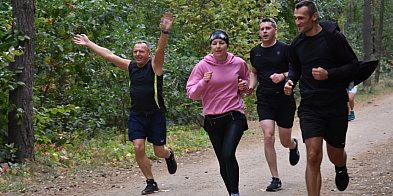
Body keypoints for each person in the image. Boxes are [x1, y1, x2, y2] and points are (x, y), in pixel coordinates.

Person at [73, 12, 177, 195]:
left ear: (148, 54)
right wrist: (89, 43)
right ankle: (151, 182)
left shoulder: (155, 66)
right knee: (138, 146)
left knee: (159, 151)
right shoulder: (130, 67)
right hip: (137, 115)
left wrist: (164, 32)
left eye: (141, 51)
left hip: (155, 115)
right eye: (135, 51)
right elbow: (109, 55)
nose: (137, 54)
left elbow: (161, 50)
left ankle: (169, 154)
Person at [284, 1, 359, 195]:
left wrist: (329, 74)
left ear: (314, 17)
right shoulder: (297, 44)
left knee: (335, 154)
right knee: (312, 154)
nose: (297, 22)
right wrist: (290, 81)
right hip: (310, 106)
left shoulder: (333, 38)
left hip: (334, 105)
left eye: (301, 18)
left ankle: (340, 165)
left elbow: (353, 66)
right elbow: (295, 68)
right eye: (295, 18)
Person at [186, 30, 249, 196]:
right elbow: (191, 93)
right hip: (213, 119)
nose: (218, 46)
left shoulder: (238, 63)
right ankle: (232, 193)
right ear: (210, 46)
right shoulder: (202, 66)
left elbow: (246, 85)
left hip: (234, 115)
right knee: (223, 159)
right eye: (214, 43)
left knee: (228, 153)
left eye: (221, 43)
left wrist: (243, 86)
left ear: (227, 45)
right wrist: (203, 82)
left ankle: (235, 193)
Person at [248, 18, 300, 192]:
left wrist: (283, 76)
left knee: (285, 141)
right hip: (265, 99)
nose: (264, 31)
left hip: (284, 99)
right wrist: (249, 87)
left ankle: (294, 145)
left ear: (275, 30)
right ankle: (275, 178)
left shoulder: (286, 49)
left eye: (268, 28)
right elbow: (254, 72)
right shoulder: (255, 52)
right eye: (261, 28)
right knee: (268, 136)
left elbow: (295, 70)